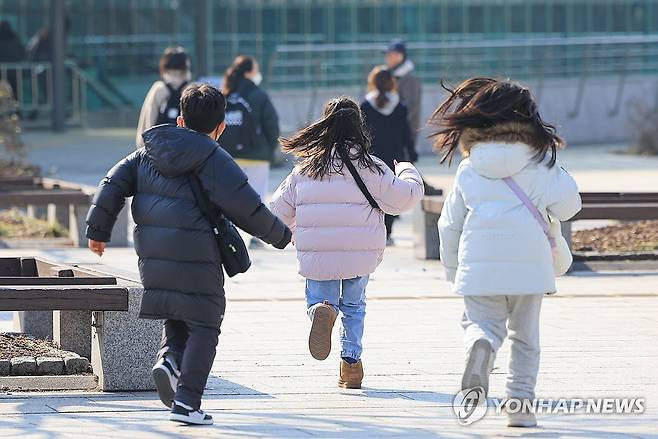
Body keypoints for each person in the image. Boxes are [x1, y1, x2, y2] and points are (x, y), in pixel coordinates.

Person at [85, 84, 292, 426]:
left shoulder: (147, 151)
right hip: (197, 255)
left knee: (178, 313)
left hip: (153, 256)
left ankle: (168, 360)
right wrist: (282, 235)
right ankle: (187, 402)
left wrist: (97, 231)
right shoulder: (214, 158)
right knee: (206, 322)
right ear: (221, 127)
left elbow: (112, 183)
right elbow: (247, 207)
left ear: (180, 120)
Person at [431, 78, 581, 428]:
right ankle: (520, 406)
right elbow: (570, 206)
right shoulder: (541, 163)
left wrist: (454, 270)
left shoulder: (470, 167)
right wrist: (558, 167)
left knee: (481, 325)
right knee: (526, 337)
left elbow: (449, 224)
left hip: (479, 266)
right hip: (530, 266)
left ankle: (481, 344)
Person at [270, 97, 424, 389]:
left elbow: (277, 212)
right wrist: (406, 168)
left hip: (318, 255)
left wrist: (294, 231)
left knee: (321, 299)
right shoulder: (372, 167)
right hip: (359, 254)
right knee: (355, 306)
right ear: (359, 126)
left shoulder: (305, 170)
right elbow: (406, 197)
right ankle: (351, 365)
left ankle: (320, 310)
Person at [221, 55, 280, 247]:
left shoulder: (227, 94)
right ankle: (257, 237)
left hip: (229, 157)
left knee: (229, 198)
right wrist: (269, 149)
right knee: (257, 199)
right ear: (249, 72)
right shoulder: (259, 95)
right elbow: (271, 125)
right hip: (257, 156)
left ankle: (226, 236)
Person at [361, 66, 417, 245]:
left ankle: (374, 231)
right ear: (392, 84)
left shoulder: (365, 106)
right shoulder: (400, 107)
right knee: (391, 195)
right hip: (394, 157)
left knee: (371, 196)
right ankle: (388, 232)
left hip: (372, 157)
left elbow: (361, 134)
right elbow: (406, 134)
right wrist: (411, 153)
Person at [135, 46, 191, 148]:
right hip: (186, 149)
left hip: (160, 150)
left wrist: (143, 147)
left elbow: (147, 121)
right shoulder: (192, 89)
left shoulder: (159, 89)